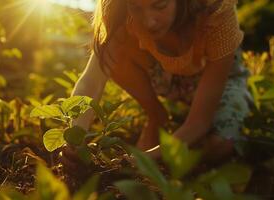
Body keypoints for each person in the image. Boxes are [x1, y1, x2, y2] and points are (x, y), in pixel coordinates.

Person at [64, 0, 254, 162]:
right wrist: (75, 140)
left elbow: (199, 122)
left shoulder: (217, 11)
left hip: (215, 80)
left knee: (221, 144)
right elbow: (91, 81)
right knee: (113, 45)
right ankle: (157, 116)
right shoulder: (119, 11)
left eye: (160, 5)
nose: (149, 22)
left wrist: (145, 159)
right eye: (136, 8)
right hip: (167, 76)